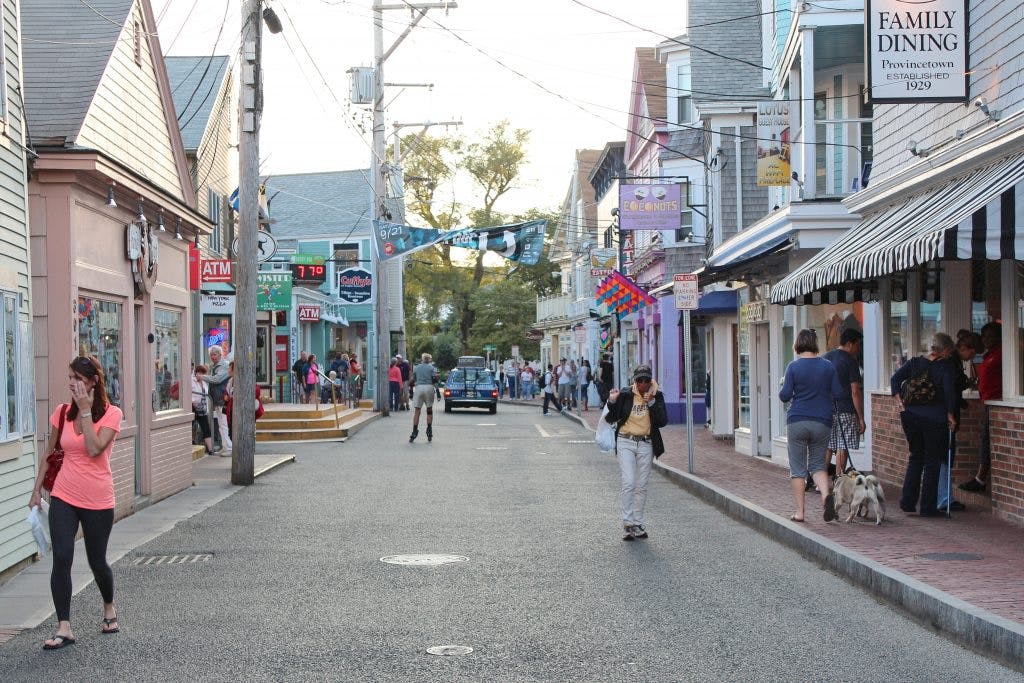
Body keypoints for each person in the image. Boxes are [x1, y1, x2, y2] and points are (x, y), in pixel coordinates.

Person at [28, 356, 123, 650]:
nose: (72, 383)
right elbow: (50, 452)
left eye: (78, 378)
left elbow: (94, 449)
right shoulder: (60, 412)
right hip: (64, 494)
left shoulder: (112, 414)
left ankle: (109, 607)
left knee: (97, 561)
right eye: (69, 377)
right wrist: (35, 491)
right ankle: (64, 627)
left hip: (97, 498)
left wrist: (85, 411)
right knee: (62, 557)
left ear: (93, 381)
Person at [779, 329, 844, 523]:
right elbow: (839, 393)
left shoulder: (793, 367)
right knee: (817, 465)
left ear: (798, 344)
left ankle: (800, 512)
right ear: (815, 344)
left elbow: (785, 395)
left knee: (798, 469)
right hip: (822, 422)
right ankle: (825, 495)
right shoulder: (828, 367)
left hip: (797, 420)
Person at [891, 332, 959, 517]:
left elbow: (895, 379)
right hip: (934, 420)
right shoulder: (945, 367)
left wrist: (900, 403)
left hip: (910, 416)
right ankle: (928, 508)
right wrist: (951, 415)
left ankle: (907, 502)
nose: (950, 354)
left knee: (916, 457)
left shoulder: (915, 362)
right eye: (950, 350)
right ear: (944, 350)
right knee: (932, 462)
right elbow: (950, 393)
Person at [603, 364, 667, 541]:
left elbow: (662, 421)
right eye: (640, 380)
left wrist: (651, 402)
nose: (643, 384)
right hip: (625, 441)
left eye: (647, 380)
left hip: (646, 443)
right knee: (629, 482)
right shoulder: (625, 394)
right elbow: (611, 417)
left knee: (642, 485)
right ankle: (627, 524)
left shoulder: (656, 396)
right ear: (634, 380)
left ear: (651, 381)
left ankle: (637, 523)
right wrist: (612, 400)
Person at [936, 333, 977, 513]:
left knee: (942, 457)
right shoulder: (951, 363)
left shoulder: (951, 362)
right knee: (945, 456)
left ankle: (943, 496)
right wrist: (956, 408)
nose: (972, 358)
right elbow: (950, 390)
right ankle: (944, 498)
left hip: (942, 413)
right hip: (947, 415)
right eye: (972, 353)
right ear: (963, 348)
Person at [960, 322, 1002, 493]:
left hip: (997, 403)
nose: (986, 340)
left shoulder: (1002, 353)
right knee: (985, 439)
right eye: (984, 336)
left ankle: (980, 479)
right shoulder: (988, 356)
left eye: (990, 336)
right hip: (987, 402)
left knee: (987, 440)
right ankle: (980, 478)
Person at [822, 328, 865, 476]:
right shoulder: (850, 361)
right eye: (858, 345)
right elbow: (855, 391)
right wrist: (861, 418)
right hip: (845, 408)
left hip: (827, 409)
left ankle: (818, 482)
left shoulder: (826, 357)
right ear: (849, 344)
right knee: (842, 446)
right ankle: (839, 480)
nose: (859, 349)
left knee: (828, 446)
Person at [207, 345, 231, 456]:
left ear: (220, 355)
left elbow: (217, 379)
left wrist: (202, 377)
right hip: (217, 399)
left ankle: (229, 447)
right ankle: (225, 446)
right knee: (221, 424)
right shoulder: (214, 366)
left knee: (223, 424)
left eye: (215, 354)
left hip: (223, 399)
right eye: (211, 355)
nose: (213, 357)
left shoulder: (224, 365)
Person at [409, 353, 439, 442]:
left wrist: (411, 392)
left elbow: (412, 381)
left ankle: (414, 431)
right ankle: (429, 430)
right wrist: (438, 392)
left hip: (419, 388)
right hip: (429, 388)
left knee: (417, 411)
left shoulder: (416, 368)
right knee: (429, 410)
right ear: (429, 359)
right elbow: (435, 380)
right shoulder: (432, 368)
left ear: (422, 359)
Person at [191, 364, 214, 455]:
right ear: (196, 373)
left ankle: (210, 449)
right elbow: (188, 392)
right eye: (199, 373)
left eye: (202, 374)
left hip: (203, 409)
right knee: (191, 427)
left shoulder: (204, 382)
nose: (200, 375)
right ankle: (191, 444)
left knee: (206, 428)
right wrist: (193, 402)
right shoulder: (191, 380)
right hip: (193, 408)